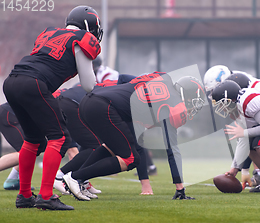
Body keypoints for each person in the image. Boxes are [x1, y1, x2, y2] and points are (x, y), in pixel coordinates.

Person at [3, 5, 102, 210]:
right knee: (60, 138)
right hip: (33, 82)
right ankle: (46, 196)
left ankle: (24, 196)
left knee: (32, 140)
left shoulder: (49, 33)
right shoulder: (82, 39)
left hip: (12, 81)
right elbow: (88, 85)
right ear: (89, 26)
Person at [62, 72, 205, 201]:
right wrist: (180, 189)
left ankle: (79, 180)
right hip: (104, 106)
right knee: (131, 158)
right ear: (184, 94)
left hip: (90, 102)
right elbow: (172, 150)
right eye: (194, 102)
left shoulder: (161, 79)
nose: (193, 108)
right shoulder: (171, 104)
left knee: (112, 147)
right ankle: (75, 177)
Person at [0, 103, 78, 190]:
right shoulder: (71, 107)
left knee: (37, 147)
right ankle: (12, 179)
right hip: (11, 113)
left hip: (15, 112)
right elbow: (72, 151)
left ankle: (12, 179)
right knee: (30, 149)